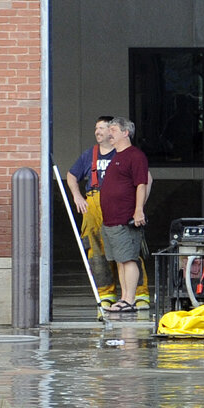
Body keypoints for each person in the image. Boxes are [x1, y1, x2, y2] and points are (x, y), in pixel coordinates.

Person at [65, 115, 132, 308]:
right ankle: (106, 293)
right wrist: (77, 196)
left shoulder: (125, 154)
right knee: (96, 250)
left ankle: (136, 293)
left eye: (102, 128)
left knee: (125, 248)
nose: (98, 132)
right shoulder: (89, 155)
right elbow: (71, 175)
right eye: (96, 128)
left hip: (118, 205)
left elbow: (143, 180)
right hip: (93, 205)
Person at [98, 117, 152, 315]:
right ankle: (124, 297)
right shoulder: (116, 156)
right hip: (110, 219)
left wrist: (139, 210)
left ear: (125, 133)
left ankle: (129, 299)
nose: (109, 133)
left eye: (113, 129)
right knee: (120, 260)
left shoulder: (135, 156)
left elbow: (142, 184)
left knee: (128, 259)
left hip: (124, 219)